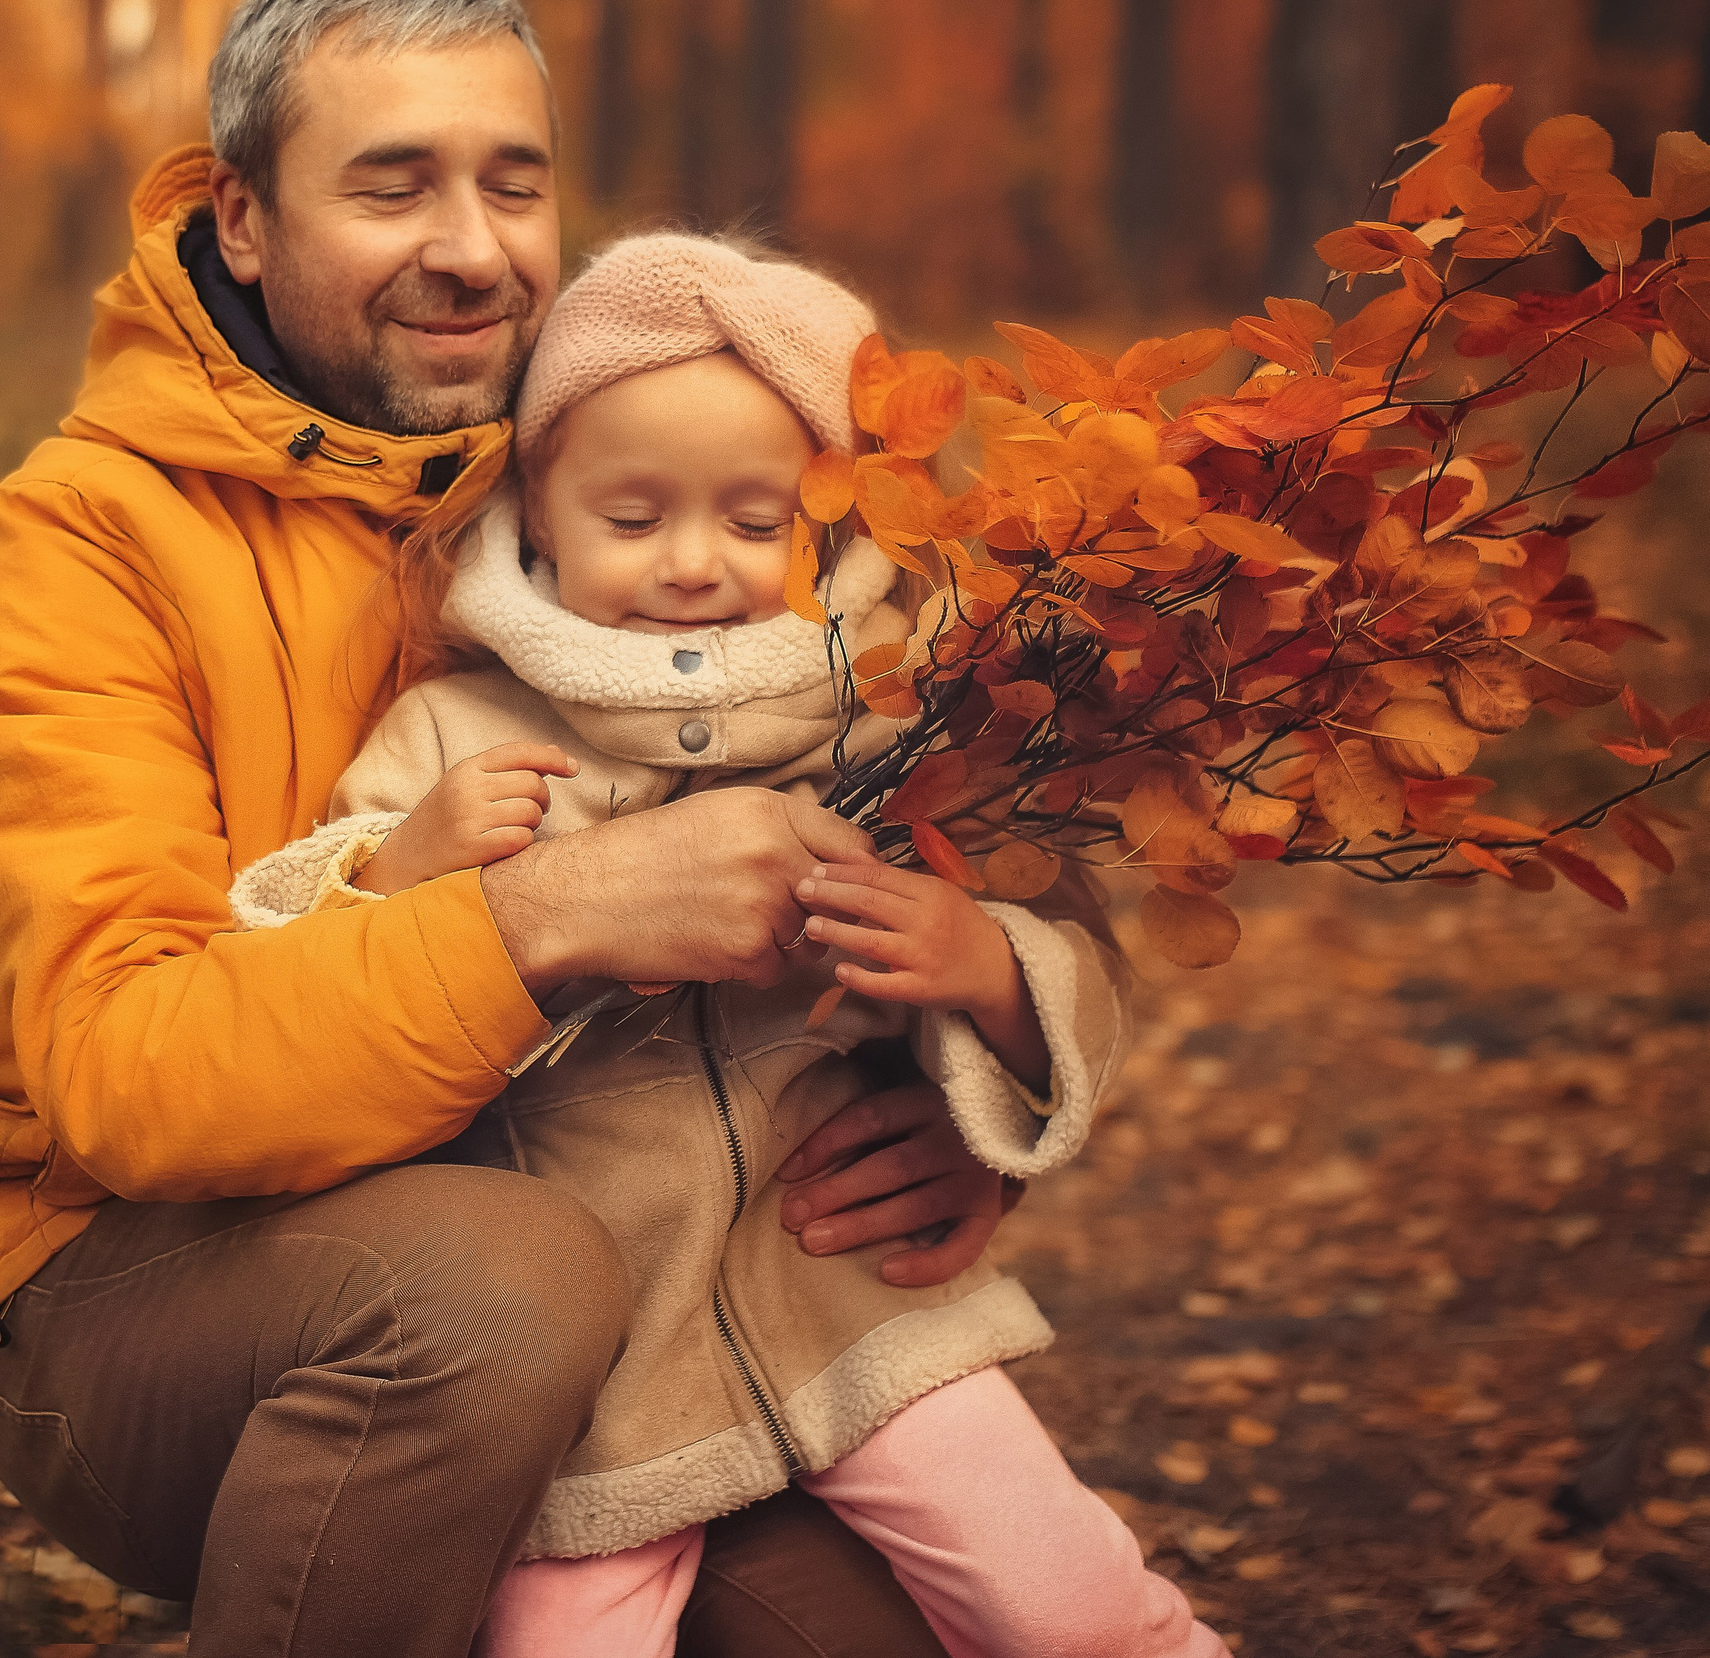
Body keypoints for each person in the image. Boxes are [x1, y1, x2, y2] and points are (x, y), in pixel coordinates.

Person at [0, 0, 1025, 1658]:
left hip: (630, 1262)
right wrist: (564, 908)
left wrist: (958, 1102)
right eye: (392, 184)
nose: (472, 248)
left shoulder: (606, 466)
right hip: (121, 1271)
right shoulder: (84, 538)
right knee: (503, 1290)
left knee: (894, 1633)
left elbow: (932, 821)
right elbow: (129, 1082)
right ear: (245, 217)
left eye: (515, 183)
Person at [231, 232, 1227, 1658]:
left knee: (1070, 1606)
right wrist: (401, 870)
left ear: (825, 530)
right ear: (539, 515)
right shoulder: (462, 734)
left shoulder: (888, 721)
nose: (694, 567)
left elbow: (1070, 952)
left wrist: (986, 966)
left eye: (754, 524)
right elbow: (302, 983)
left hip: (847, 1306)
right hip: (592, 1370)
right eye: (634, 520)